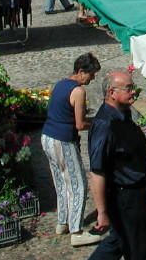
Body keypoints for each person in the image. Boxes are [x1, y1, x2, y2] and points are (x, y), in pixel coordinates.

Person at [88, 71, 146, 260]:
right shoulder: (105, 125)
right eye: (128, 88)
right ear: (112, 92)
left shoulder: (123, 114)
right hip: (125, 196)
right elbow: (97, 171)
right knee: (137, 248)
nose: (133, 92)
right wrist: (102, 212)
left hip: (138, 191)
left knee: (125, 242)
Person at [41, 53, 102, 247]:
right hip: (62, 141)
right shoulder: (78, 91)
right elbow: (79, 124)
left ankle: (63, 222)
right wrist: (96, 124)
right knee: (78, 184)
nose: (92, 78)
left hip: (47, 137)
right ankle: (76, 231)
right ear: (81, 71)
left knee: (61, 181)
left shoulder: (61, 84)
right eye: (91, 74)